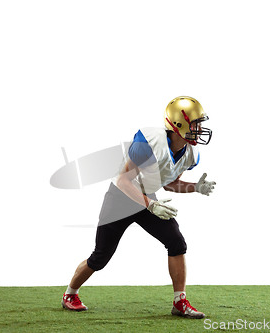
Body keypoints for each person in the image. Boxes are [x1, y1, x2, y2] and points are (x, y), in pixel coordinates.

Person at [61, 96, 216, 319]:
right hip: (121, 198)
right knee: (100, 257)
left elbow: (169, 184)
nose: (200, 129)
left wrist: (196, 187)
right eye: (195, 124)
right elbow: (123, 180)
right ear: (178, 124)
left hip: (147, 197)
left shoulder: (190, 154)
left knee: (176, 241)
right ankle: (70, 294)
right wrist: (151, 205)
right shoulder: (148, 142)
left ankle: (179, 302)